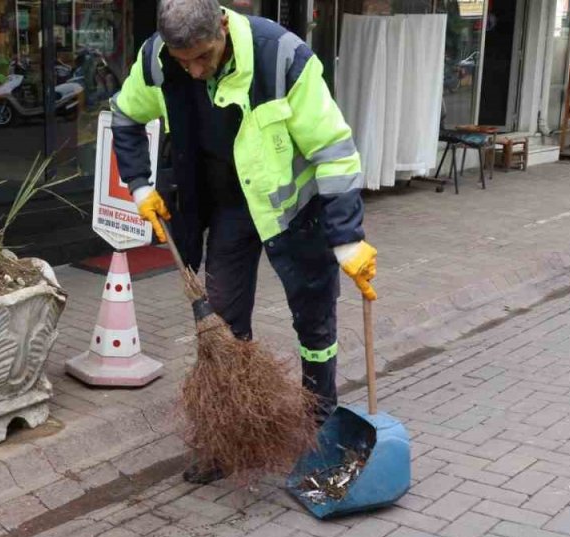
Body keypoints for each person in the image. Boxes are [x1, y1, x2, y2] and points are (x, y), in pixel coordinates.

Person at [109, 0, 377, 483]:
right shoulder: (157, 61)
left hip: (294, 212)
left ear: (224, 28)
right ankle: (230, 438)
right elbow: (125, 117)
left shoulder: (282, 59)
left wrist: (347, 241)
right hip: (228, 209)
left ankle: (318, 433)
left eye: (202, 57)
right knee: (224, 323)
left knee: (315, 323)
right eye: (181, 59)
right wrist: (141, 186)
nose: (192, 71)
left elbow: (334, 152)